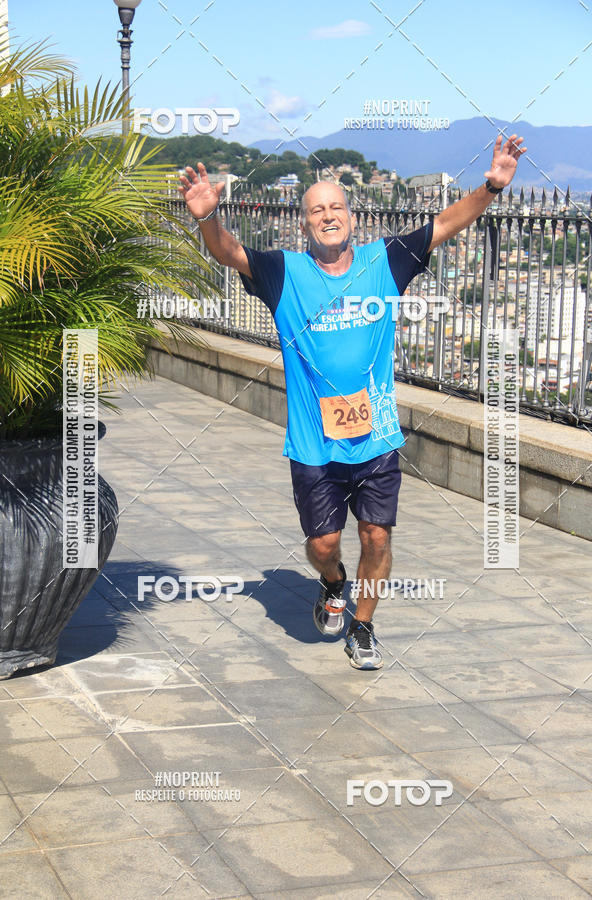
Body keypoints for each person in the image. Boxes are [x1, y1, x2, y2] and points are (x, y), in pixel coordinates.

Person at [178, 134, 526, 669]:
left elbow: (446, 222)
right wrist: (207, 219)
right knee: (322, 545)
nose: (328, 216)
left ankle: (363, 627)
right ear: (304, 225)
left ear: (352, 219)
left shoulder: (385, 261)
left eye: (336, 207)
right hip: (314, 444)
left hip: (377, 437)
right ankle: (333, 583)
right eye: (316, 210)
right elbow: (229, 252)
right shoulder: (283, 273)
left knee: (376, 535)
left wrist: (492, 185)